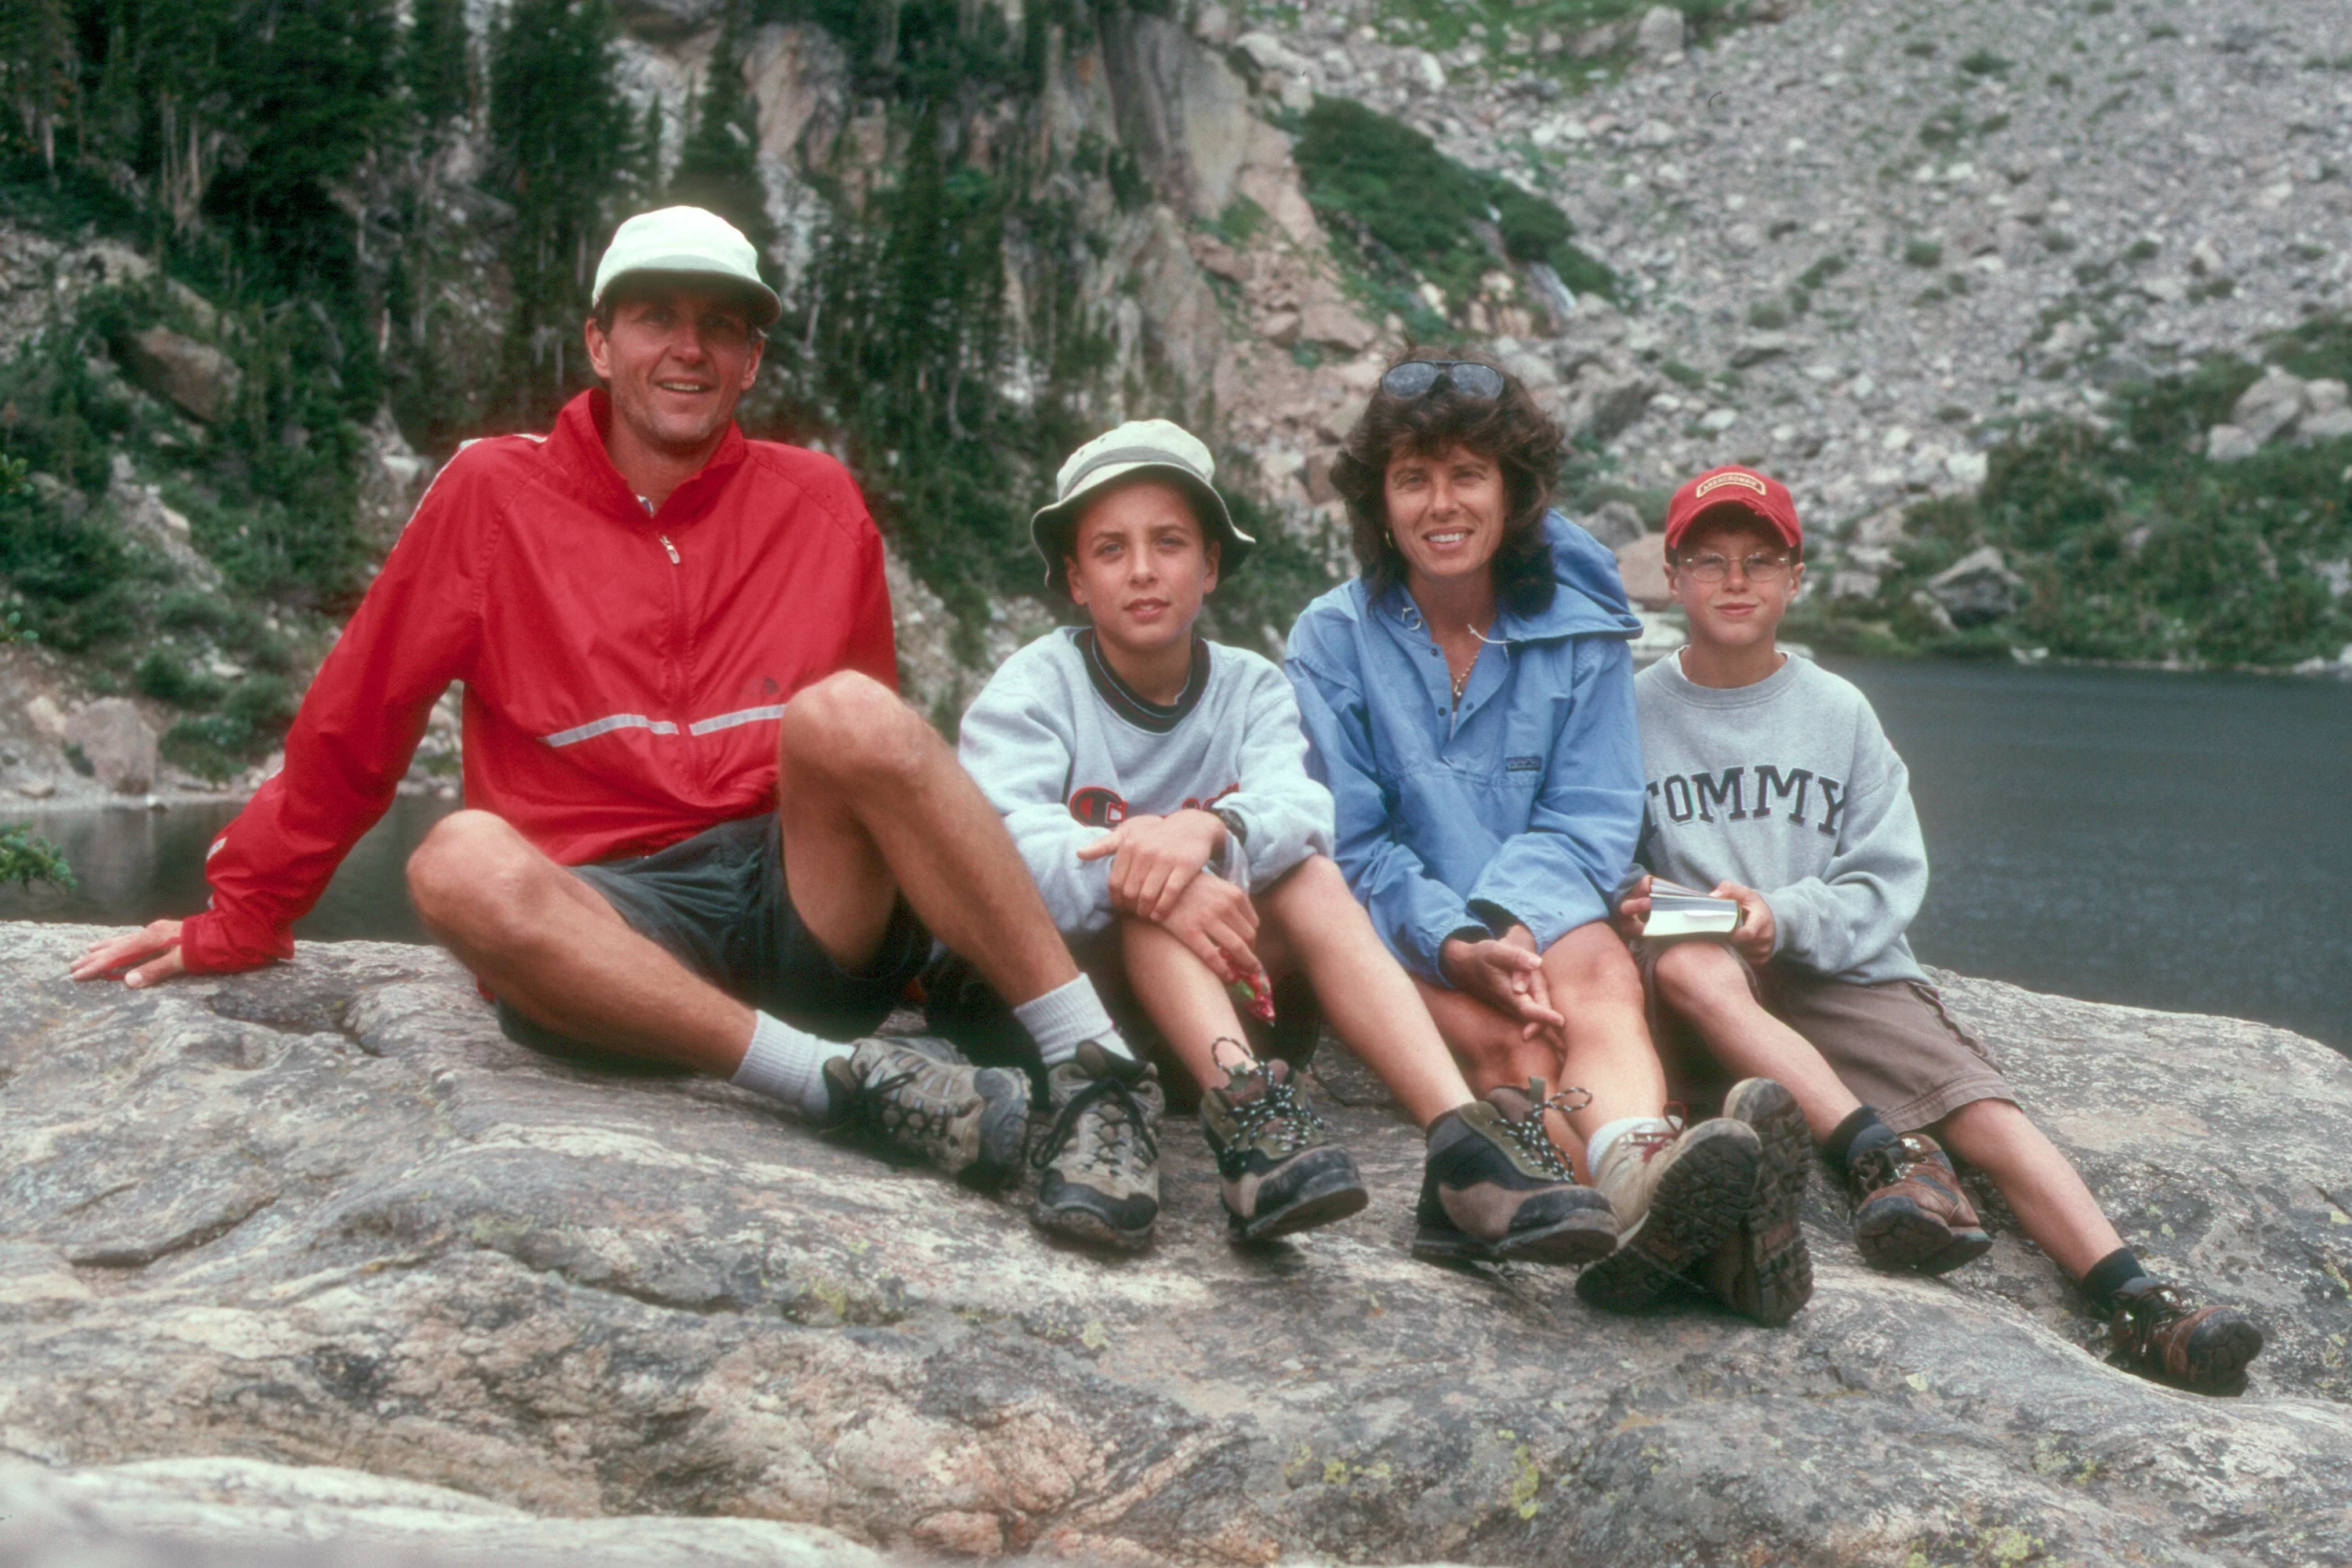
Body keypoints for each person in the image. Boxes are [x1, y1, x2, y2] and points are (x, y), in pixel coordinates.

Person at [69, 205, 1148, 1186]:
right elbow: (360, 717)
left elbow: (879, 777)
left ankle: (1096, 1068)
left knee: (852, 714)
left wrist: (930, 962)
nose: (689, 348)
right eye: (656, 318)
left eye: (722, 326)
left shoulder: (819, 502)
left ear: (751, 359)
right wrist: (247, 915)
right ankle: (835, 1085)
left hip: (797, 905)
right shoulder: (493, 492)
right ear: (599, 343)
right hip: (605, 926)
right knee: (452, 862)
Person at [1619, 463, 2267, 1382]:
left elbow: (1885, 881)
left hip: (1833, 962)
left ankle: (2137, 1297)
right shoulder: (1632, 711)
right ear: (1672, 574)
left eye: (1759, 560)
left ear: (1796, 578)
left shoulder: (1839, 711)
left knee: (1983, 1107)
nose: (1735, 581)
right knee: (1688, 969)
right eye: (1709, 559)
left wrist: (1785, 915)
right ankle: (1883, 1158)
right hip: (1710, 968)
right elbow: (1612, 865)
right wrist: (1667, 907)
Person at [953, 419, 1614, 1261]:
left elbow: (1303, 807)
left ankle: (1457, 1138)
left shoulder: (1249, 685)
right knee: (1158, 896)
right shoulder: (1037, 686)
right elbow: (994, 850)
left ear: (1212, 566)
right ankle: (1253, 1123)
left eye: (1171, 543)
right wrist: (1147, 858)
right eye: (1111, 550)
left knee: (1303, 874)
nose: (1145, 570)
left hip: (1216, 1001)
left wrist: (1208, 830)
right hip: (1066, 1010)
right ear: (1076, 580)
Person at [1285, 354, 1799, 1315]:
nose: (1442, 504)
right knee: (1501, 1038)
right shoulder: (1329, 639)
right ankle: (1683, 1221)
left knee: (1602, 977)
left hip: (1545, 903)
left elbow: (1593, 814)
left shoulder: (1582, 624)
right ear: (1379, 500)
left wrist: (1508, 919)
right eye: (1413, 478)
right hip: (1404, 926)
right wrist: (1458, 938)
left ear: (1512, 490)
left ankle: (1640, 1181)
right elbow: (1351, 846)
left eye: (1467, 474)